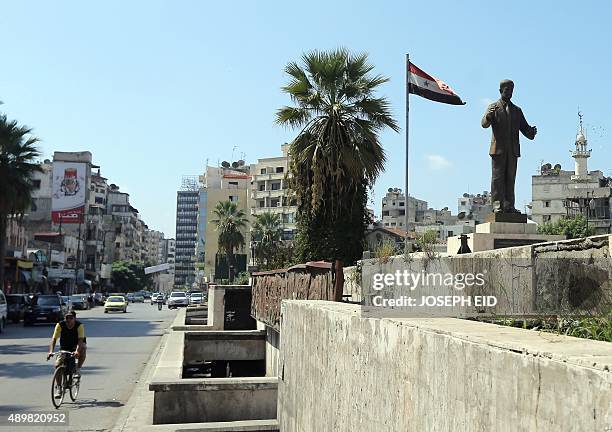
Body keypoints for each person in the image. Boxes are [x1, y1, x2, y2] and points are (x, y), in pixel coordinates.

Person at [481, 79, 537, 213]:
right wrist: (489, 116)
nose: (509, 93)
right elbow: (484, 124)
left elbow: (525, 128)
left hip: (512, 150)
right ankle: (497, 206)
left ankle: (509, 206)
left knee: (510, 179)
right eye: (507, 90)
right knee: (497, 179)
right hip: (498, 150)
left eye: (511, 91)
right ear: (501, 91)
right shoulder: (493, 107)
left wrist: (531, 132)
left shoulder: (517, 110)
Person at [47, 311, 86, 378]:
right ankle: (59, 387)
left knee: (83, 348)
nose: (69, 320)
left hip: (76, 345)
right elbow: (54, 339)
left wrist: (77, 351)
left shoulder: (79, 326)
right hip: (64, 346)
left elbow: (80, 340)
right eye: (67, 318)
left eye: (71, 318)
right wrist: (51, 351)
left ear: (75, 318)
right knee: (57, 366)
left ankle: (78, 369)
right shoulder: (60, 325)